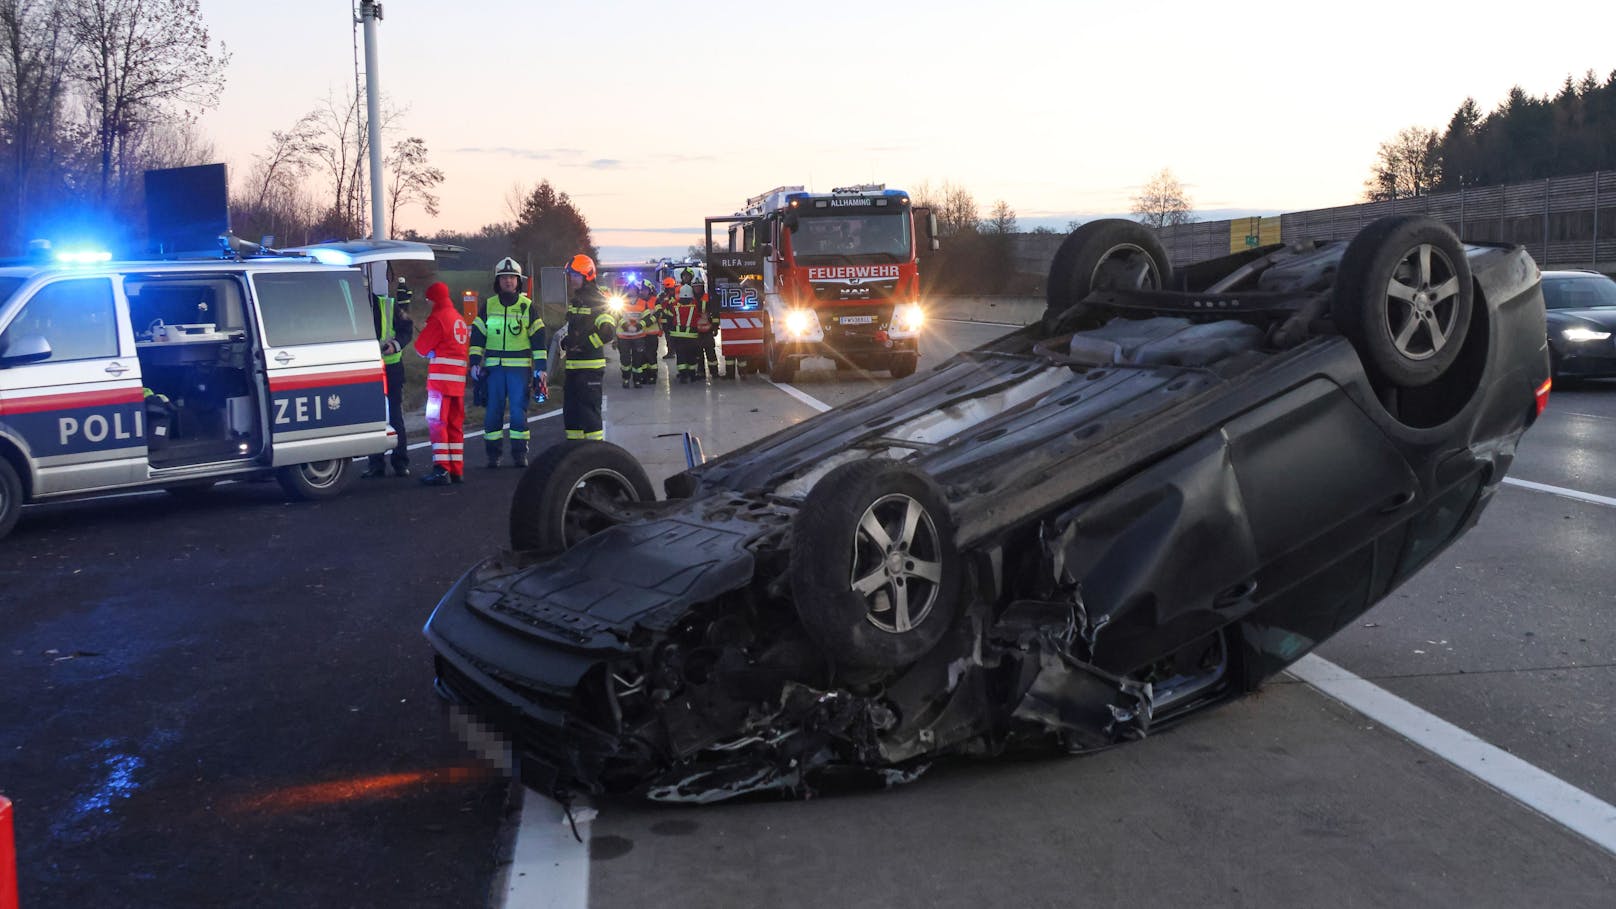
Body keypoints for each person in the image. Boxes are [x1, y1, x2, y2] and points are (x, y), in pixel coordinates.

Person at [468, 257, 546, 468]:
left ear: (518, 281)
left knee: (518, 413)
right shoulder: (489, 305)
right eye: (504, 278)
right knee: (493, 412)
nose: (508, 281)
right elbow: (477, 335)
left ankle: (520, 454)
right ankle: (493, 455)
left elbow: (538, 338)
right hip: (493, 370)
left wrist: (541, 369)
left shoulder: (527, 306)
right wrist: (474, 362)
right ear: (498, 281)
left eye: (512, 277)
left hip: (519, 370)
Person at [413, 282, 469, 485]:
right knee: (455, 425)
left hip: (440, 384)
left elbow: (420, 347)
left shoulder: (439, 319)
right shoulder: (458, 319)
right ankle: (456, 470)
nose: (427, 304)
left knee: (437, 424)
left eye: (429, 300)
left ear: (434, 299)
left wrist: (431, 352)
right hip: (458, 384)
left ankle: (441, 469)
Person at [362, 274, 415, 478]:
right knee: (372, 417)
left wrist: (396, 344)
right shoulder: (349, 307)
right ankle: (376, 464)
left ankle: (400, 462)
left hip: (391, 369)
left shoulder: (388, 305)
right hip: (365, 370)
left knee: (394, 416)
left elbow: (406, 329)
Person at [561, 254, 615, 440]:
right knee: (571, 414)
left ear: (587, 275)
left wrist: (583, 345)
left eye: (575, 275)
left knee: (589, 414)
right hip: (573, 367)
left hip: (590, 368)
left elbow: (607, 332)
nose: (571, 280)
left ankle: (595, 454)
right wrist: (568, 341)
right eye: (570, 276)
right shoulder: (576, 300)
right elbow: (574, 329)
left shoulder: (597, 300)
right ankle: (574, 453)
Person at [669, 272, 702, 383]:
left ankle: (683, 376)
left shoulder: (675, 304)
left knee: (681, 356)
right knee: (691, 356)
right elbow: (698, 316)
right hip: (691, 335)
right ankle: (692, 375)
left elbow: (670, 314)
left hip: (677, 335)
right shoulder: (694, 305)